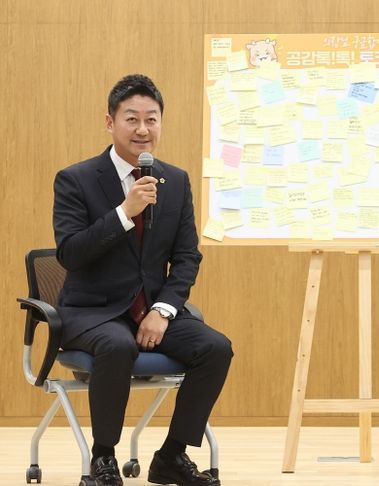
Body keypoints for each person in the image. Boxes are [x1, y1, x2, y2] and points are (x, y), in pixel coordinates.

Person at [53, 74, 233, 486]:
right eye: (131, 118)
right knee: (117, 346)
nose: (142, 129)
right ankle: (103, 458)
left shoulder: (175, 181)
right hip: (93, 312)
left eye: (151, 119)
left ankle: (171, 456)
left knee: (215, 348)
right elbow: (70, 253)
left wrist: (163, 310)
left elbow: (186, 257)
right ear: (110, 122)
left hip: (151, 308)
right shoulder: (75, 179)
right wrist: (123, 213)